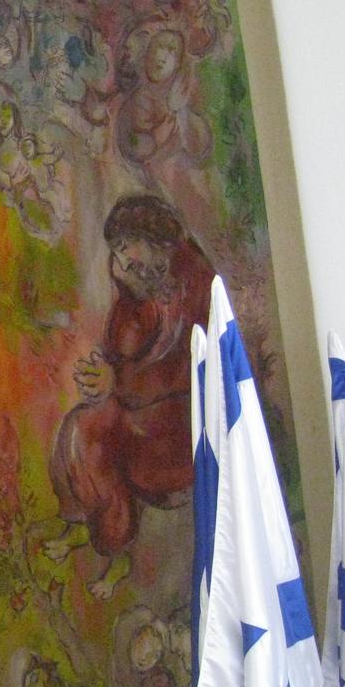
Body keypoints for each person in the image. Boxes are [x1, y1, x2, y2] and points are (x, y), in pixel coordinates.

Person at [46, 195, 214, 599]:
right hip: (139, 407)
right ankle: (87, 523)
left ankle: (116, 545)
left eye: (127, 251)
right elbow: (125, 341)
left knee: (96, 443)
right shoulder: (143, 279)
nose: (121, 262)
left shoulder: (191, 284)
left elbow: (181, 372)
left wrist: (116, 381)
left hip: (178, 431)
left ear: (155, 246)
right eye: (118, 253)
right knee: (77, 429)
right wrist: (106, 372)